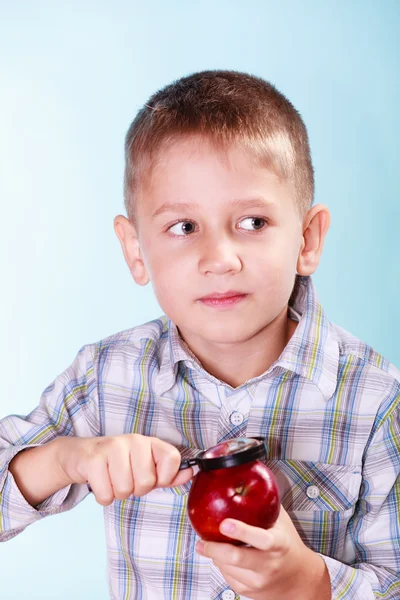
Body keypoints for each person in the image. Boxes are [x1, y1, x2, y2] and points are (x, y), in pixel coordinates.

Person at [0, 70, 399, 600]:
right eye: (184, 228)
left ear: (307, 238)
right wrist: (67, 458)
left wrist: (309, 583)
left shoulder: (376, 403)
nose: (219, 259)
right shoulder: (106, 375)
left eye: (252, 222)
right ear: (136, 250)